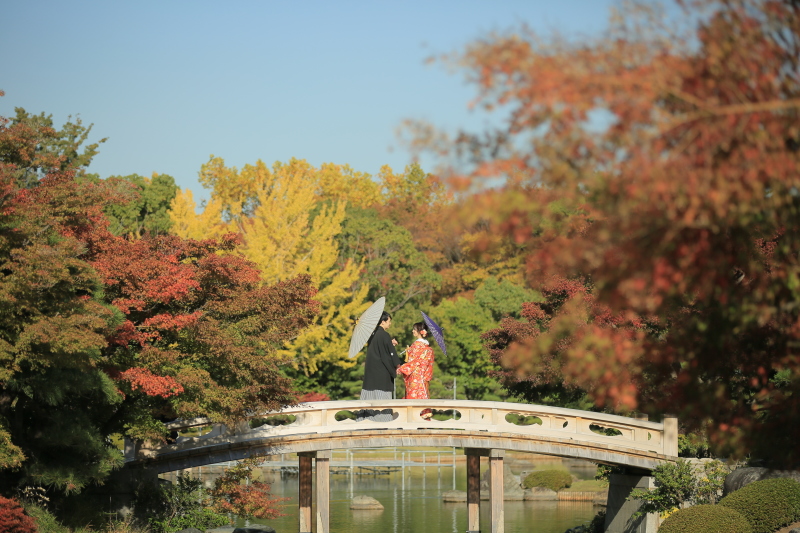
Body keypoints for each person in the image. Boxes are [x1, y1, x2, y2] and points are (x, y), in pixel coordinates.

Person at [358, 311, 401, 422]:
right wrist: (397, 365)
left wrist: (390, 344)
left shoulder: (372, 334)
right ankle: (382, 421)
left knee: (370, 396)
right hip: (381, 374)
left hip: (371, 373)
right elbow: (388, 354)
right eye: (389, 321)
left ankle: (367, 419)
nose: (390, 324)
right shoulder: (384, 335)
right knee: (382, 398)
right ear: (383, 322)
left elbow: (380, 349)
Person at [397, 322, 435, 401]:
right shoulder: (427, 348)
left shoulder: (416, 345)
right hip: (423, 377)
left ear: (420, 331)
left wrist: (402, 368)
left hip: (415, 377)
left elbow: (413, 362)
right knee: (423, 397)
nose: (412, 331)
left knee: (413, 400)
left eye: (414, 329)